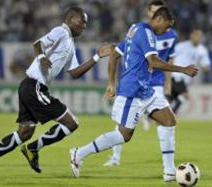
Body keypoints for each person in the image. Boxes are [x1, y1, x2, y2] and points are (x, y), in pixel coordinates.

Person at [70, 7, 198, 181]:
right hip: (132, 91)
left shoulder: (135, 28)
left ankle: (169, 172)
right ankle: (79, 153)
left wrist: (111, 83)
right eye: (166, 26)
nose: (166, 31)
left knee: (169, 120)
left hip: (146, 90)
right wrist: (183, 69)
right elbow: (153, 61)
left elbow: (115, 54)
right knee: (123, 135)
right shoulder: (147, 33)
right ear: (159, 19)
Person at [0, 7, 111, 177]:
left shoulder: (70, 44)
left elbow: (74, 73)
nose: (84, 25)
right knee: (71, 123)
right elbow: (38, 44)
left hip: (29, 87)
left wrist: (96, 57)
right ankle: (33, 148)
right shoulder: (61, 32)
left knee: (24, 133)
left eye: (86, 22)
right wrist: (41, 58)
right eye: (82, 21)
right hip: (34, 86)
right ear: (70, 18)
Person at [103, 0, 178, 177]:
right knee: (124, 127)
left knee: (167, 121)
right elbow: (120, 52)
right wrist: (114, 82)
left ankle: (168, 168)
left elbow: (170, 59)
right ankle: (115, 156)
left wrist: (168, 82)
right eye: (152, 12)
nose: (153, 15)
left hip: (156, 83)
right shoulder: (140, 30)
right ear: (150, 13)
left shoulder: (170, 34)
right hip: (136, 84)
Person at [170, 28, 211, 114]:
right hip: (177, 75)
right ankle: (171, 116)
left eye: (199, 35)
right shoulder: (181, 46)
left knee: (171, 98)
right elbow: (171, 57)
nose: (198, 37)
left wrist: (207, 69)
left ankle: (153, 115)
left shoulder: (202, 50)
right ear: (191, 35)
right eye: (196, 35)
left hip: (186, 79)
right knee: (185, 96)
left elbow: (206, 64)